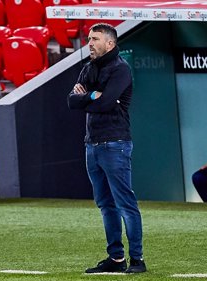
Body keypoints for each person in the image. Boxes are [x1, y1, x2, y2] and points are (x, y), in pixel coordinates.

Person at [67, 23, 146, 274]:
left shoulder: (121, 69)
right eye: (89, 38)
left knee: (125, 204)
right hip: (92, 144)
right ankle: (116, 258)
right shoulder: (88, 67)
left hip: (115, 144)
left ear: (110, 43)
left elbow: (107, 103)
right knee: (105, 204)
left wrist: (86, 97)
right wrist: (92, 96)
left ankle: (137, 260)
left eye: (95, 39)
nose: (89, 43)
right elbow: (71, 101)